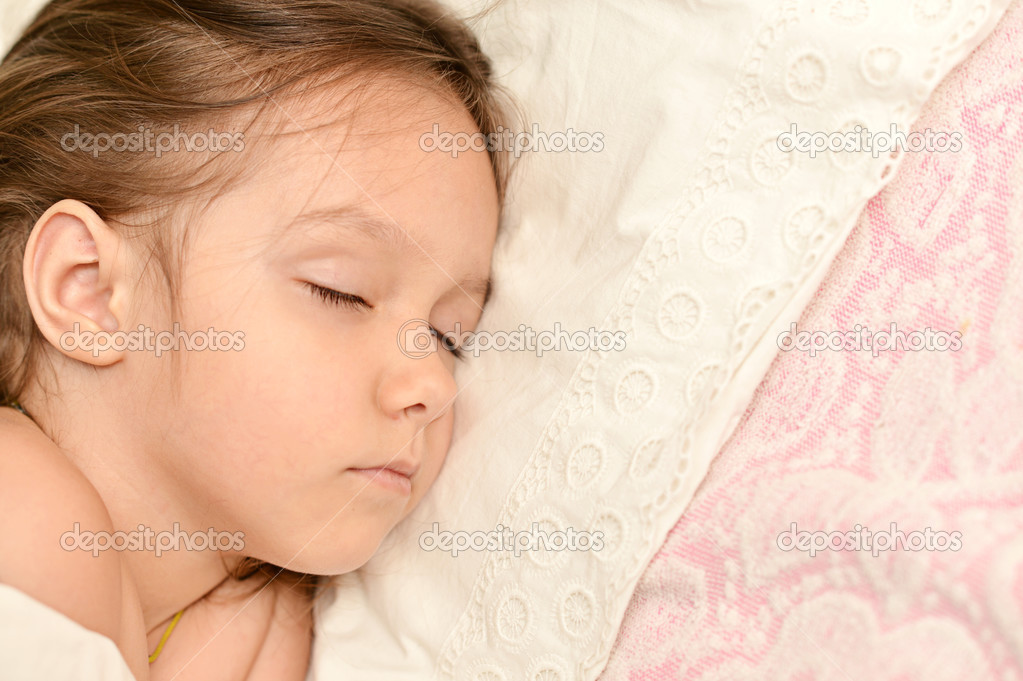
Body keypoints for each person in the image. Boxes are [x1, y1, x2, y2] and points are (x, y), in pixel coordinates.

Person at [0, 1, 510, 678]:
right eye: (342, 290)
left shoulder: (255, 624)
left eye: (450, 336)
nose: (435, 384)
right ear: (88, 290)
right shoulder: (23, 508)